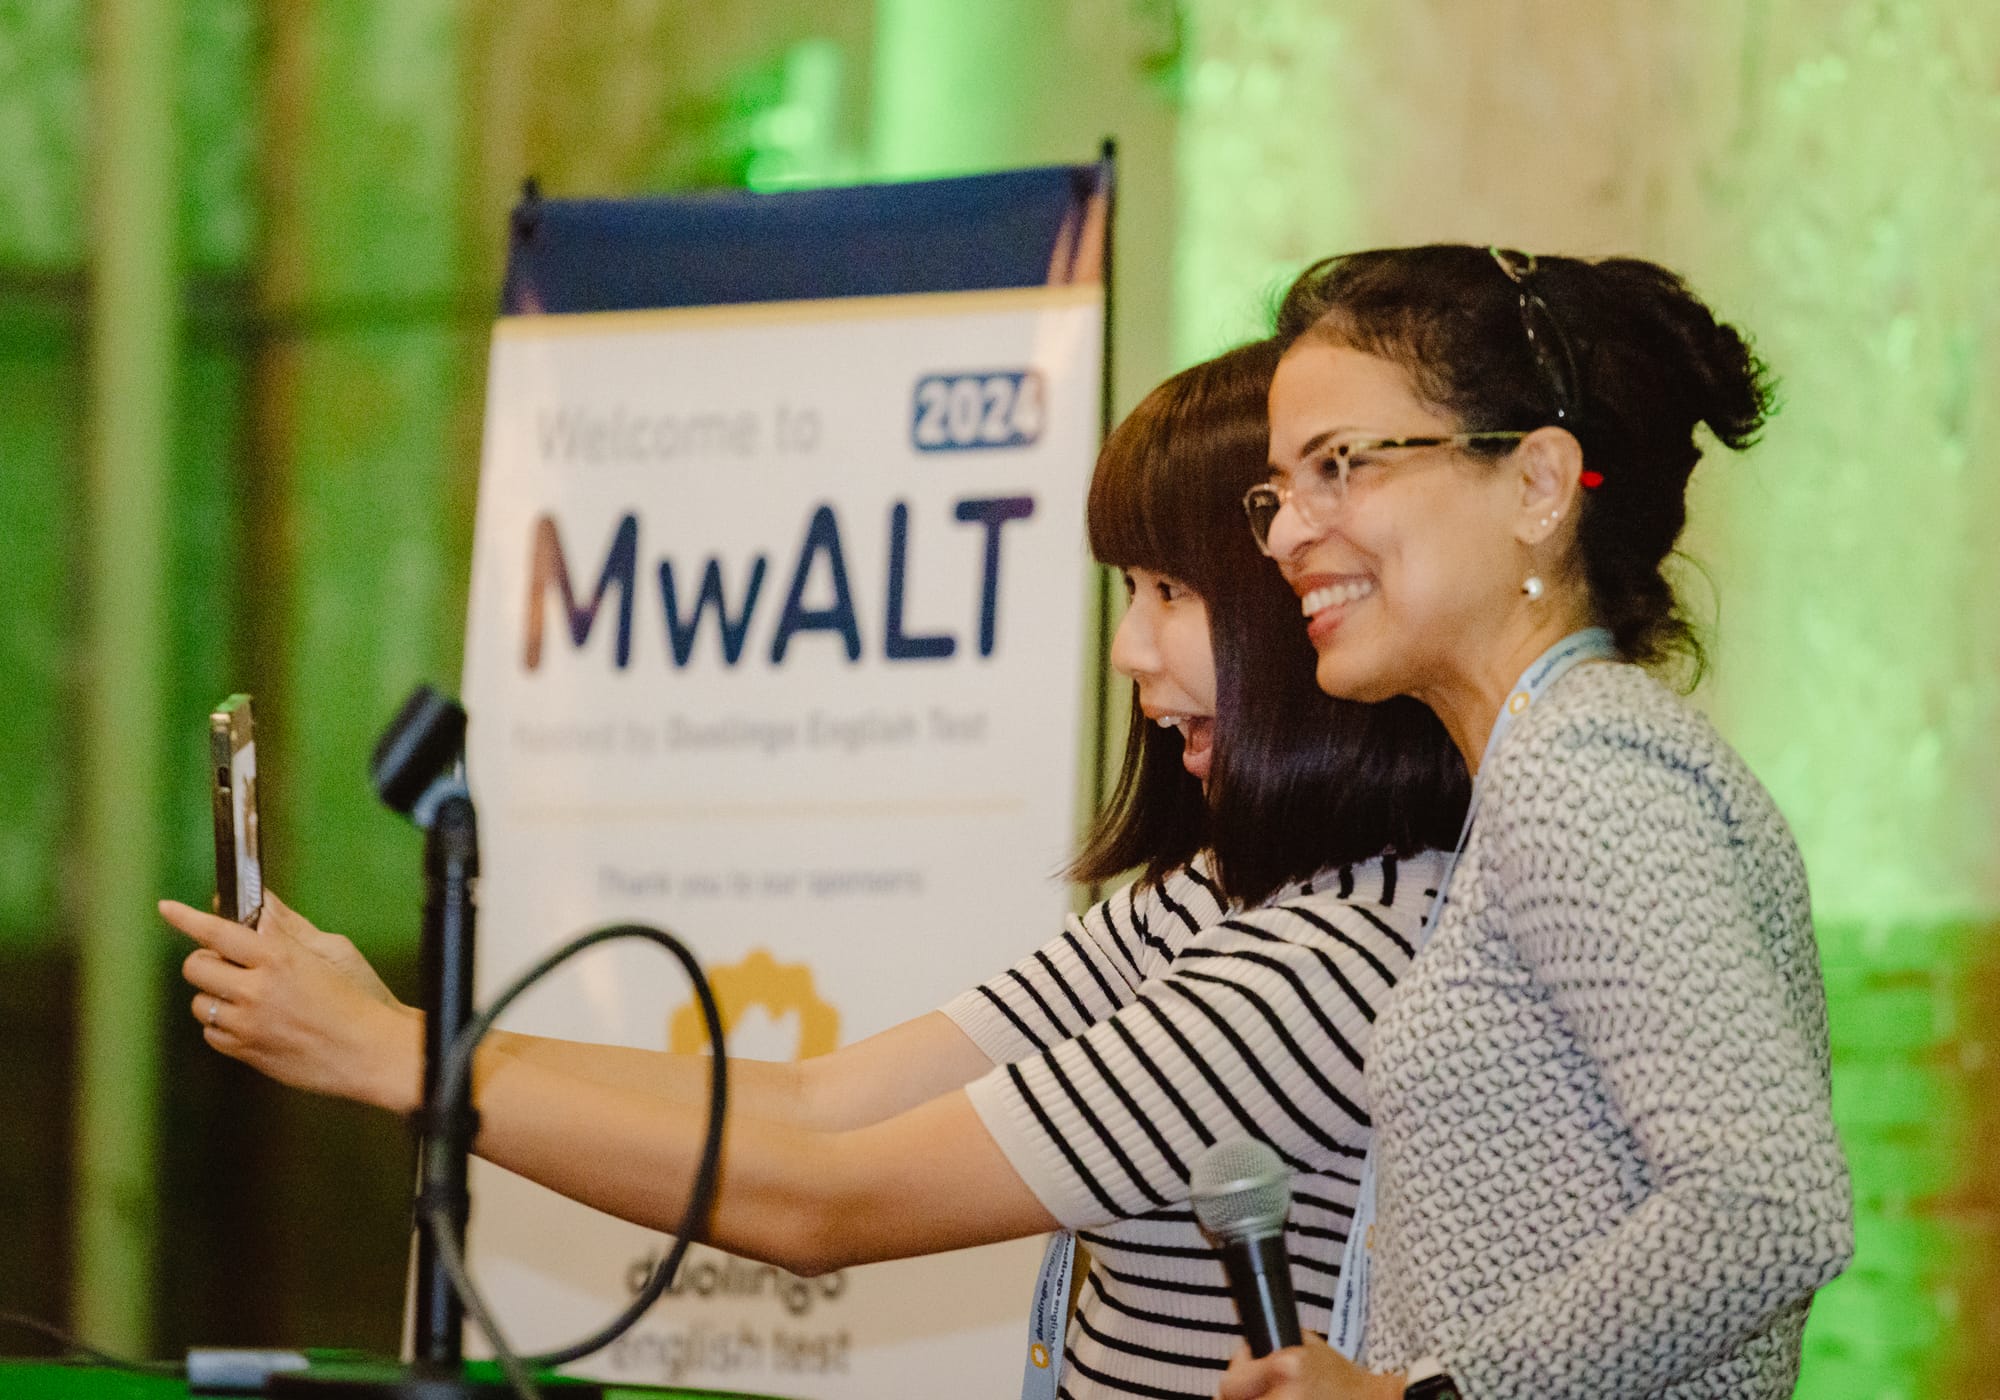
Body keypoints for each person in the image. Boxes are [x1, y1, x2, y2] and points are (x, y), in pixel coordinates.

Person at [162, 340, 1469, 1400]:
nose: (1130, 652)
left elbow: (827, 1202)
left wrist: (398, 1063)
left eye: (1171, 593)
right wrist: (399, 1033)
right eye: (1128, 590)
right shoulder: (1219, 895)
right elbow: (819, 1103)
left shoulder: (1323, 964)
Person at [1219, 246, 1853, 1400]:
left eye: (1339, 465)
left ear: (1535, 486)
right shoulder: (1548, 760)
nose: (1284, 533)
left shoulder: (1584, 766)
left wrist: (1423, 1395)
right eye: (1277, 488)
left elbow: (1768, 1204)